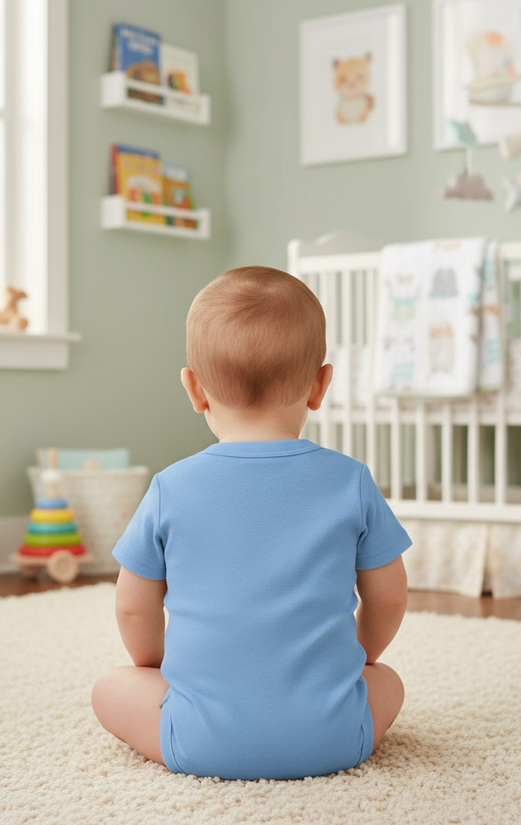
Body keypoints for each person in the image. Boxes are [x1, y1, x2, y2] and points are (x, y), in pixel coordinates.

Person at [91, 265, 411, 781]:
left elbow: (133, 607)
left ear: (194, 390)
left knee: (109, 685)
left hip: (197, 740)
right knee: (387, 680)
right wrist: (361, 657)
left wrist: (152, 665)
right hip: (333, 737)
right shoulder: (351, 481)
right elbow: (389, 597)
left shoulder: (169, 487)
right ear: (320, 384)